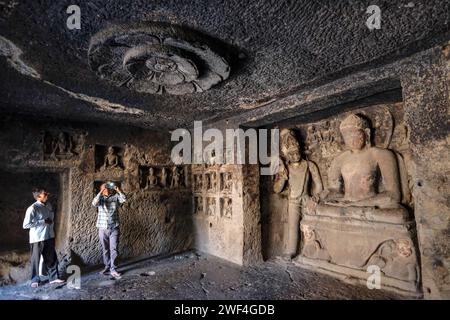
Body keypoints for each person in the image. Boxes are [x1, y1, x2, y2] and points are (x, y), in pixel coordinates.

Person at [23, 188, 65, 288]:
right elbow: (26, 225)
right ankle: (35, 279)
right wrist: (42, 222)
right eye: (44, 194)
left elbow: (50, 219)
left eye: (46, 193)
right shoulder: (32, 208)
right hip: (37, 238)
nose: (47, 195)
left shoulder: (48, 205)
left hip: (49, 236)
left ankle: (54, 278)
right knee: (35, 259)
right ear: (38, 196)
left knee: (51, 258)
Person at [92, 181, 126, 279]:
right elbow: (94, 203)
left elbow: (124, 199)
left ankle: (113, 269)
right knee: (105, 249)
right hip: (102, 228)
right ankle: (107, 267)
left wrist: (118, 190)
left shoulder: (115, 197)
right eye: (104, 187)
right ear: (102, 190)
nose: (107, 188)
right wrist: (101, 192)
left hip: (114, 227)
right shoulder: (100, 199)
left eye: (107, 187)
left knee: (114, 249)